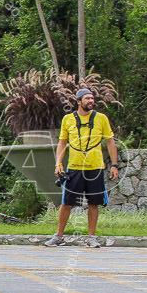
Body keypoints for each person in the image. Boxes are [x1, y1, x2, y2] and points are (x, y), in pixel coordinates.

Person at [44, 88, 119, 248]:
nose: (91, 101)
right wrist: (59, 163)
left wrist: (114, 165)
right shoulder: (68, 119)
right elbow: (62, 142)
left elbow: (110, 142)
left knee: (94, 203)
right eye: (87, 99)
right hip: (74, 167)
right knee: (66, 203)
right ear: (78, 101)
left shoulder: (101, 118)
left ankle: (91, 237)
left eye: (92, 98)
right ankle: (59, 236)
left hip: (95, 167)